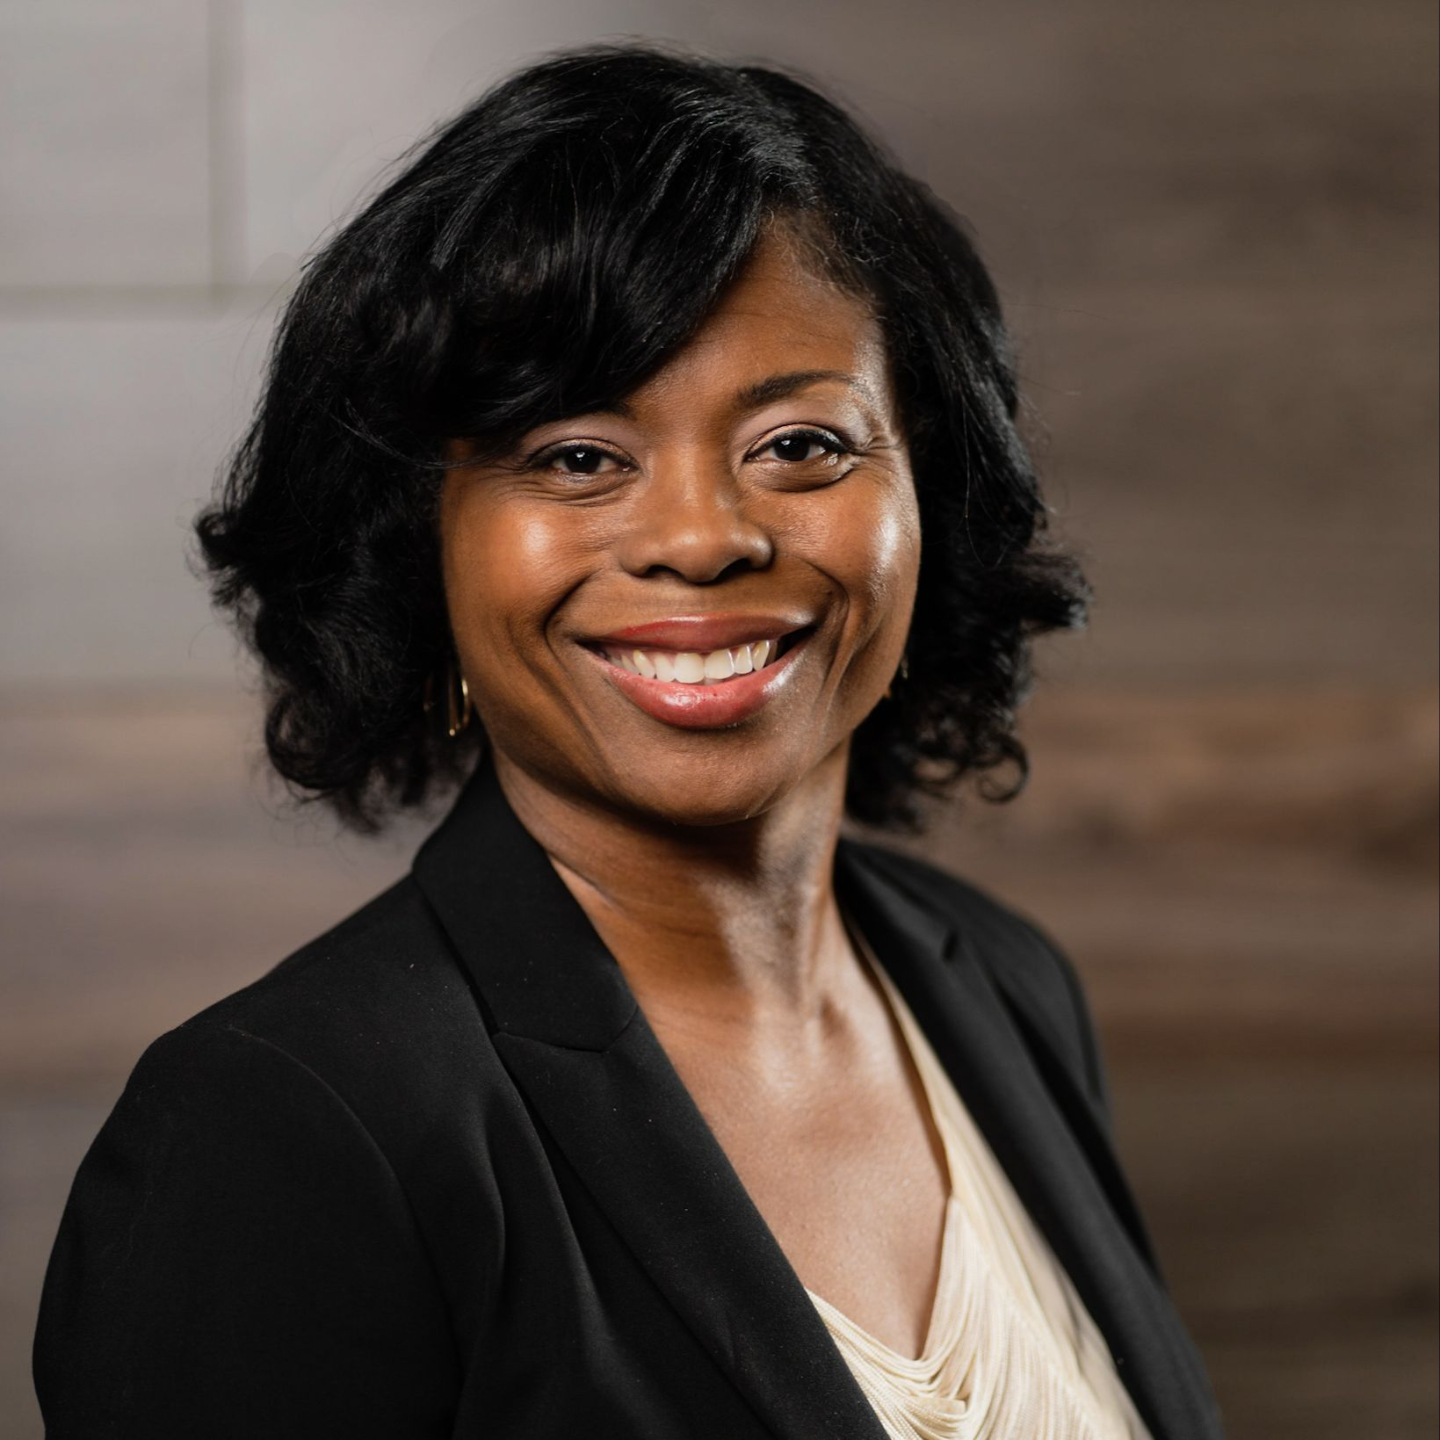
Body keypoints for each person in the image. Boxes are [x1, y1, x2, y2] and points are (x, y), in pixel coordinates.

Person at [33, 42, 1225, 1440]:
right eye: (579, 458)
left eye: (801, 445)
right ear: (417, 542)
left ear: (931, 488)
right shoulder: (282, 1129)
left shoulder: (1003, 984)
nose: (703, 540)